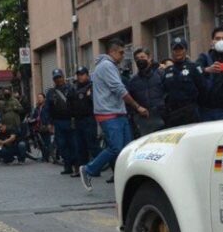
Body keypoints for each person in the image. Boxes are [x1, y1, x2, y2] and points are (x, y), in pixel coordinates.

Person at [79, 39, 148, 191]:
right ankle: (88, 170)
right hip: (109, 114)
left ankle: (127, 180)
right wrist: (137, 107)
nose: (123, 56)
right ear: (112, 52)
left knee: (127, 149)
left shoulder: (109, 66)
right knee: (116, 148)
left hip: (117, 113)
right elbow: (119, 89)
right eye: (121, 52)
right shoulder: (107, 66)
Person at [196, 27, 223, 121]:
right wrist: (207, 70)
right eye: (218, 38)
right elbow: (195, 71)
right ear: (212, 42)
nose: (221, 41)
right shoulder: (204, 58)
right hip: (206, 110)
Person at [46, 68, 77, 175]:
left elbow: (75, 105)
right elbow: (48, 108)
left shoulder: (71, 89)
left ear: (63, 77)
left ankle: (76, 167)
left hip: (70, 121)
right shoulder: (51, 92)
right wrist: (49, 123)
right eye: (56, 78)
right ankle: (67, 166)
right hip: (58, 122)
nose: (58, 80)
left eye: (59, 77)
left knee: (73, 144)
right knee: (62, 145)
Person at [127, 48, 165, 135]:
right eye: (137, 59)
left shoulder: (160, 74)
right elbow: (131, 103)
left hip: (162, 116)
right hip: (145, 121)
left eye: (142, 57)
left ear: (149, 58)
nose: (140, 60)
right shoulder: (132, 81)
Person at [70, 66, 100, 172]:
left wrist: (90, 96)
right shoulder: (74, 88)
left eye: (82, 74)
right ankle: (83, 169)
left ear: (87, 75)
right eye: (78, 75)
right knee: (80, 145)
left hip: (89, 119)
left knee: (92, 144)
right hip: (78, 120)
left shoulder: (92, 86)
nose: (80, 77)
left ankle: (96, 168)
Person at [29, 93, 52, 162]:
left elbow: (50, 116)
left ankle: (47, 156)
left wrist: (50, 124)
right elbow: (34, 116)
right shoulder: (37, 108)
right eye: (38, 97)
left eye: (40, 97)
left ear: (44, 99)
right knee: (41, 143)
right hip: (38, 127)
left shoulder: (47, 107)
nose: (39, 99)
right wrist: (31, 119)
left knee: (47, 141)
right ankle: (44, 156)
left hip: (45, 126)